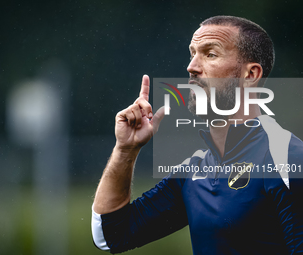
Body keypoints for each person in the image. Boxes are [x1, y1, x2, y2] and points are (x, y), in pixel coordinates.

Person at [91, 16, 303, 254]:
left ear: (251, 75)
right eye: (192, 53)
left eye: (210, 54)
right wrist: (125, 150)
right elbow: (111, 236)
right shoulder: (195, 171)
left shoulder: (287, 160)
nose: (191, 66)